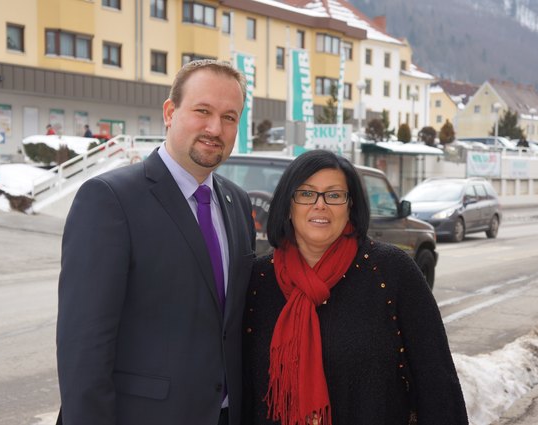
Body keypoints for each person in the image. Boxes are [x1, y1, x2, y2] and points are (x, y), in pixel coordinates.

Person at [57, 59, 256, 425]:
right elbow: (84, 349)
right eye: (203, 111)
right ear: (169, 112)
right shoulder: (109, 200)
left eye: (230, 117)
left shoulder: (237, 202)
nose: (216, 128)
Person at [242, 150, 468, 425]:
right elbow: (242, 388)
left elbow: (437, 383)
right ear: (288, 205)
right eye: (306, 193)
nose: (320, 205)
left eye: (334, 195)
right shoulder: (257, 279)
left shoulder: (391, 272)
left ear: (351, 206)